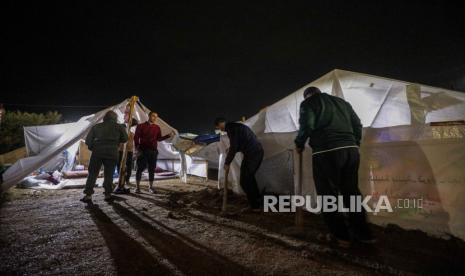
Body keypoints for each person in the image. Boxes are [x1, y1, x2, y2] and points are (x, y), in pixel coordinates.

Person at [294, 86, 374, 247]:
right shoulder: (342, 102)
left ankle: (341, 236)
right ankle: (363, 234)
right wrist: (354, 142)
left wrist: (299, 143)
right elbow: (357, 124)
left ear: (306, 96)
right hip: (351, 151)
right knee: (351, 191)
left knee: (328, 194)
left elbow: (307, 125)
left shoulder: (308, 103)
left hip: (326, 151)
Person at [215, 117, 264, 211]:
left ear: (221, 123)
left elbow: (234, 146)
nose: (219, 129)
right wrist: (232, 149)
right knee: (249, 178)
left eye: (218, 127)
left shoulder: (231, 129)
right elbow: (237, 144)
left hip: (253, 153)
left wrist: (227, 162)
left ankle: (255, 205)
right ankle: (257, 203)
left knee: (245, 180)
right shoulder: (235, 127)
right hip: (253, 152)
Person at [81, 111, 128, 203]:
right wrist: (116, 142)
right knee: (109, 174)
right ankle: (107, 194)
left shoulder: (96, 127)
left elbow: (88, 141)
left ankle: (88, 195)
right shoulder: (119, 127)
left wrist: (93, 148)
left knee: (93, 173)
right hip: (112, 151)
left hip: (97, 151)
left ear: (105, 117)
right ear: (115, 118)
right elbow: (125, 139)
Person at [134, 112, 174, 193]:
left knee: (151, 170)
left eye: (156, 117)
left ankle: (151, 187)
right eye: (153, 116)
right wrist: (137, 149)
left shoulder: (157, 127)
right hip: (143, 150)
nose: (155, 118)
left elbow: (158, 139)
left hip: (153, 152)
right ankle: (137, 188)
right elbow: (136, 137)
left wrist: (168, 136)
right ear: (149, 116)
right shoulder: (141, 126)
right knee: (140, 169)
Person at [114, 118, 138, 194]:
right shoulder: (121, 132)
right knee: (119, 165)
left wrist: (134, 151)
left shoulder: (132, 132)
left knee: (129, 165)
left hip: (129, 151)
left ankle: (127, 179)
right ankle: (121, 179)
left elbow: (134, 142)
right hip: (121, 151)